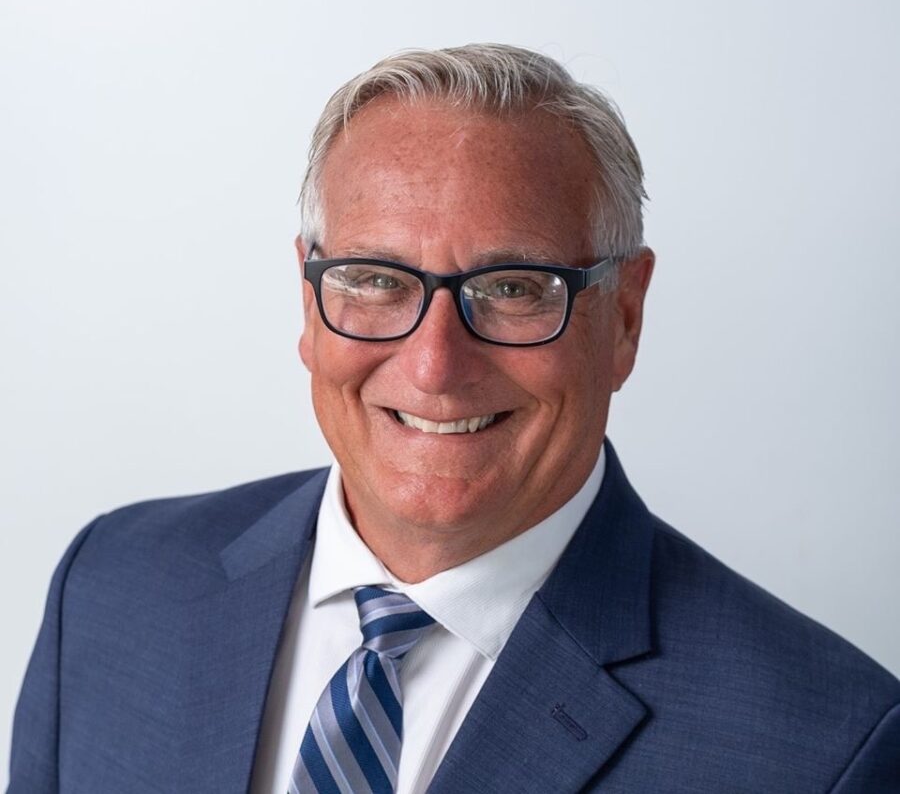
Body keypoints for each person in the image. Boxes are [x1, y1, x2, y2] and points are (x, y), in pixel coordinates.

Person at [8, 44, 900, 794]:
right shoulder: (112, 589)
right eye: (377, 280)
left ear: (624, 317)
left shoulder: (824, 748)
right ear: (310, 298)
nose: (435, 365)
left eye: (513, 289)